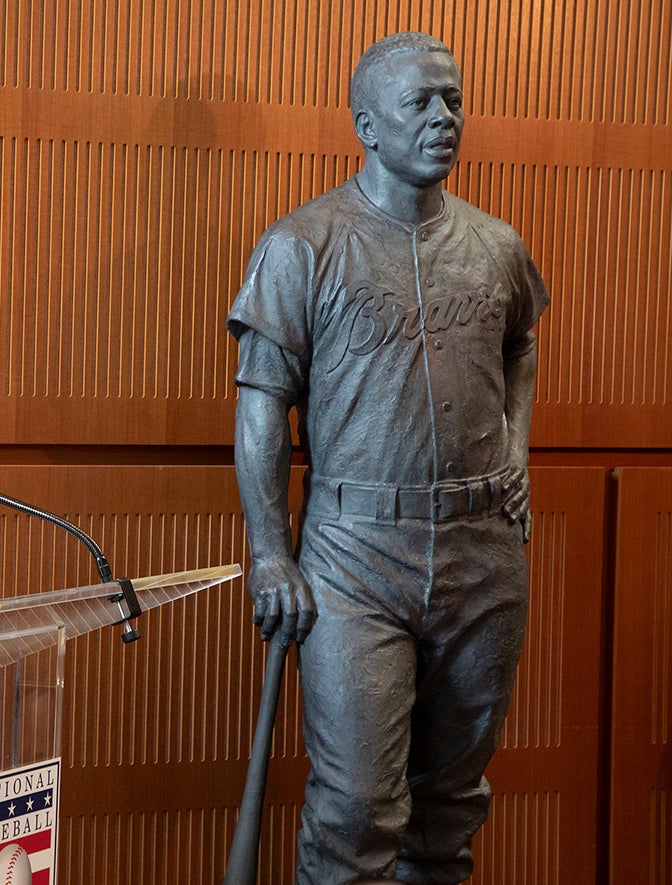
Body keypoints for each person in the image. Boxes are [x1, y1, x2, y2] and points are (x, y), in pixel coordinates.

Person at [227, 33, 549, 884]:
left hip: (485, 550)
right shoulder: (304, 244)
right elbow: (261, 403)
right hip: (354, 556)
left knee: (450, 804)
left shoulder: (496, 246)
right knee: (357, 809)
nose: (444, 118)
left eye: (453, 100)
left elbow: (522, 347)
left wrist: (515, 448)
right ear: (367, 125)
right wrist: (269, 553)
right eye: (421, 103)